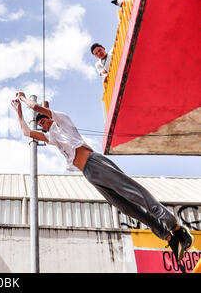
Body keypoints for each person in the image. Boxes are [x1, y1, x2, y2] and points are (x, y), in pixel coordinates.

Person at [11, 92, 194, 262]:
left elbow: (36, 108)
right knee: (128, 208)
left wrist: (24, 100)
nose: (43, 124)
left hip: (95, 163)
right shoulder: (52, 138)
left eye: (44, 120)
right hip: (89, 175)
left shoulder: (63, 121)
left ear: (50, 117)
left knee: (134, 194)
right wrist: (19, 112)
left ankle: (177, 228)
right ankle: (169, 238)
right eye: (41, 124)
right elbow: (27, 132)